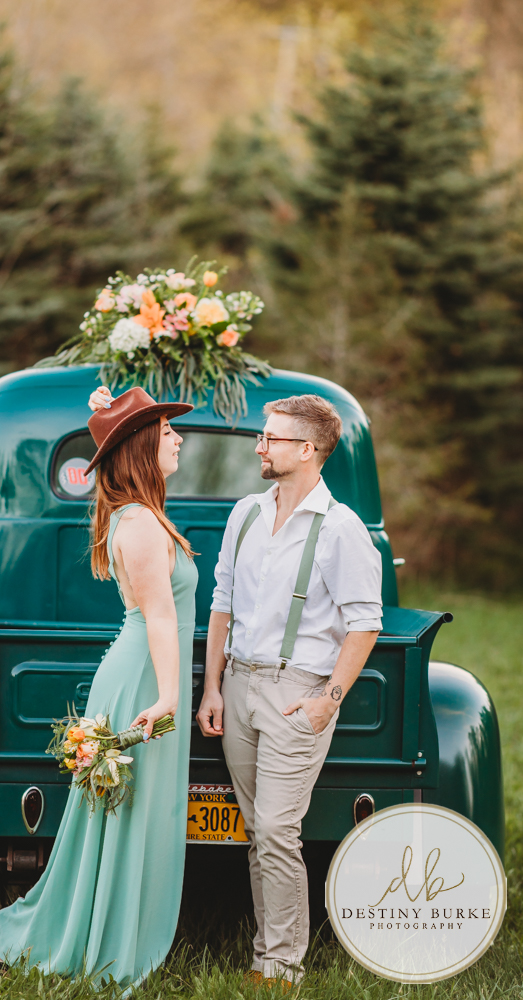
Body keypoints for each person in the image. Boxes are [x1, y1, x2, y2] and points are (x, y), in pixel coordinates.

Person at [0, 385, 198, 990]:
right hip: (143, 683)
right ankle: (97, 937)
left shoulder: (145, 515)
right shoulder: (136, 523)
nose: (178, 437)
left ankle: (117, 927)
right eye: (167, 430)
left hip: (150, 675)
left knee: (139, 815)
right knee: (126, 815)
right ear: (140, 446)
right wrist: (169, 696)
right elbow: (159, 617)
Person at [196, 394, 382, 989]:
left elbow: (365, 621)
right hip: (240, 685)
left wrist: (328, 698)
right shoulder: (245, 513)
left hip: (296, 693)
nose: (260, 447)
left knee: (277, 829)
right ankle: (267, 952)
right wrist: (212, 688)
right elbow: (221, 604)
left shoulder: (342, 529)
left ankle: (280, 966)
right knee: (258, 829)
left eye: (271, 439)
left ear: (307, 450)